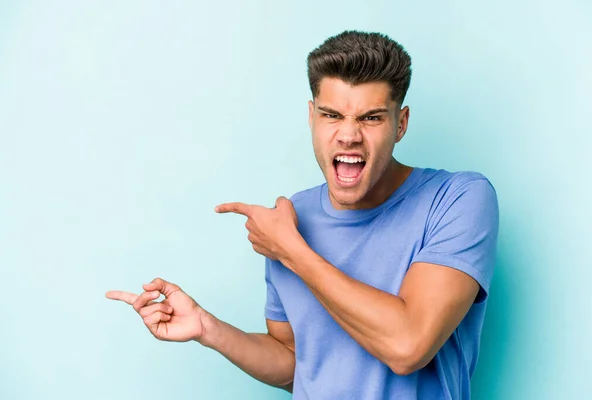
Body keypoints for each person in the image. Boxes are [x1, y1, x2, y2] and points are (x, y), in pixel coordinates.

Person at [106, 30, 499, 399]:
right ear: (311, 116)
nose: (348, 135)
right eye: (332, 115)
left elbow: (408, 346)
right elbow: (296, 361)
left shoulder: (458, 199)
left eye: (371, 117)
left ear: (401, 124)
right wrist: (207, 327)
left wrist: (292, 250)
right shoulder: (291, 218)